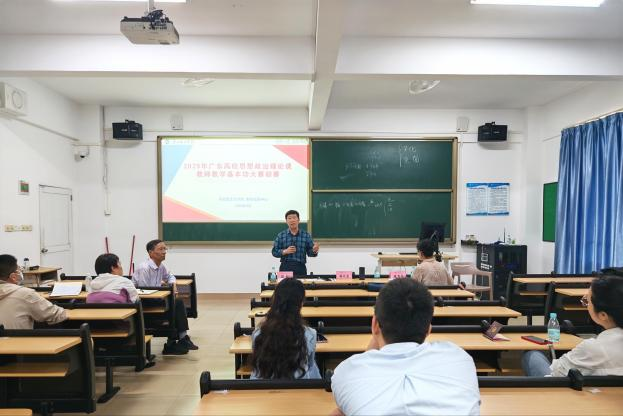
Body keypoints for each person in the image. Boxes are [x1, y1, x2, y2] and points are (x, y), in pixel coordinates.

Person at [330, 279, 480, 416]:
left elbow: (360, 373)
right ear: (428, 329)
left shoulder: (347, 372)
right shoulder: (459, 359)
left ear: (375, 324)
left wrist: (376, 333)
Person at [522, 274, 623, 377]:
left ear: (603, 315)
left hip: (560, 384)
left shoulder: (592, 348)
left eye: (587, 301)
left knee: (532, 355)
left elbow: (556, 373)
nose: (586, 306)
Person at [132, 239, 198, 355]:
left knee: (176, 304)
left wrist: (173, 287)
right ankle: (180, 339)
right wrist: (164, 291)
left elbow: (170, 276)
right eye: (161, 249)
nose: (164, 252)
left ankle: (175, 342)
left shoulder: (160, 266)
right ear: (151, 253)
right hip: (143, 303)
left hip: (155, 298)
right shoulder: (144, 268)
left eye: (165, 249)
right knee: (177, 303)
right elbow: (144, 291)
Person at [250, 278, 321, 379]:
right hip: (299, 386)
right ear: (301, 304)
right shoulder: (310, 334)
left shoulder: (258, 333)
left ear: (275, 301)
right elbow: (310, 365)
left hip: (263, 386)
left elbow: (257, 365)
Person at [0, 254, 67, 329]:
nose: (21, 272)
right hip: (19, 337)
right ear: (13, 277)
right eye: (19, 271)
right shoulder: (25, 294)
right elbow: (56, 314)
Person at [271, 209, 319, 276]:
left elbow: (310, 253)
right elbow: (274, 252)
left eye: (294, 218)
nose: (292, 220)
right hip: (285, 267)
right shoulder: (281, 235)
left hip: (300, 267)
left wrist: (314, 250)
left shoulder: (306, 235)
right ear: (286, 221)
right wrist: (285, 251)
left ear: (298, 220)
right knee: (285, 283)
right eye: (289, 218)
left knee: (301, 283)